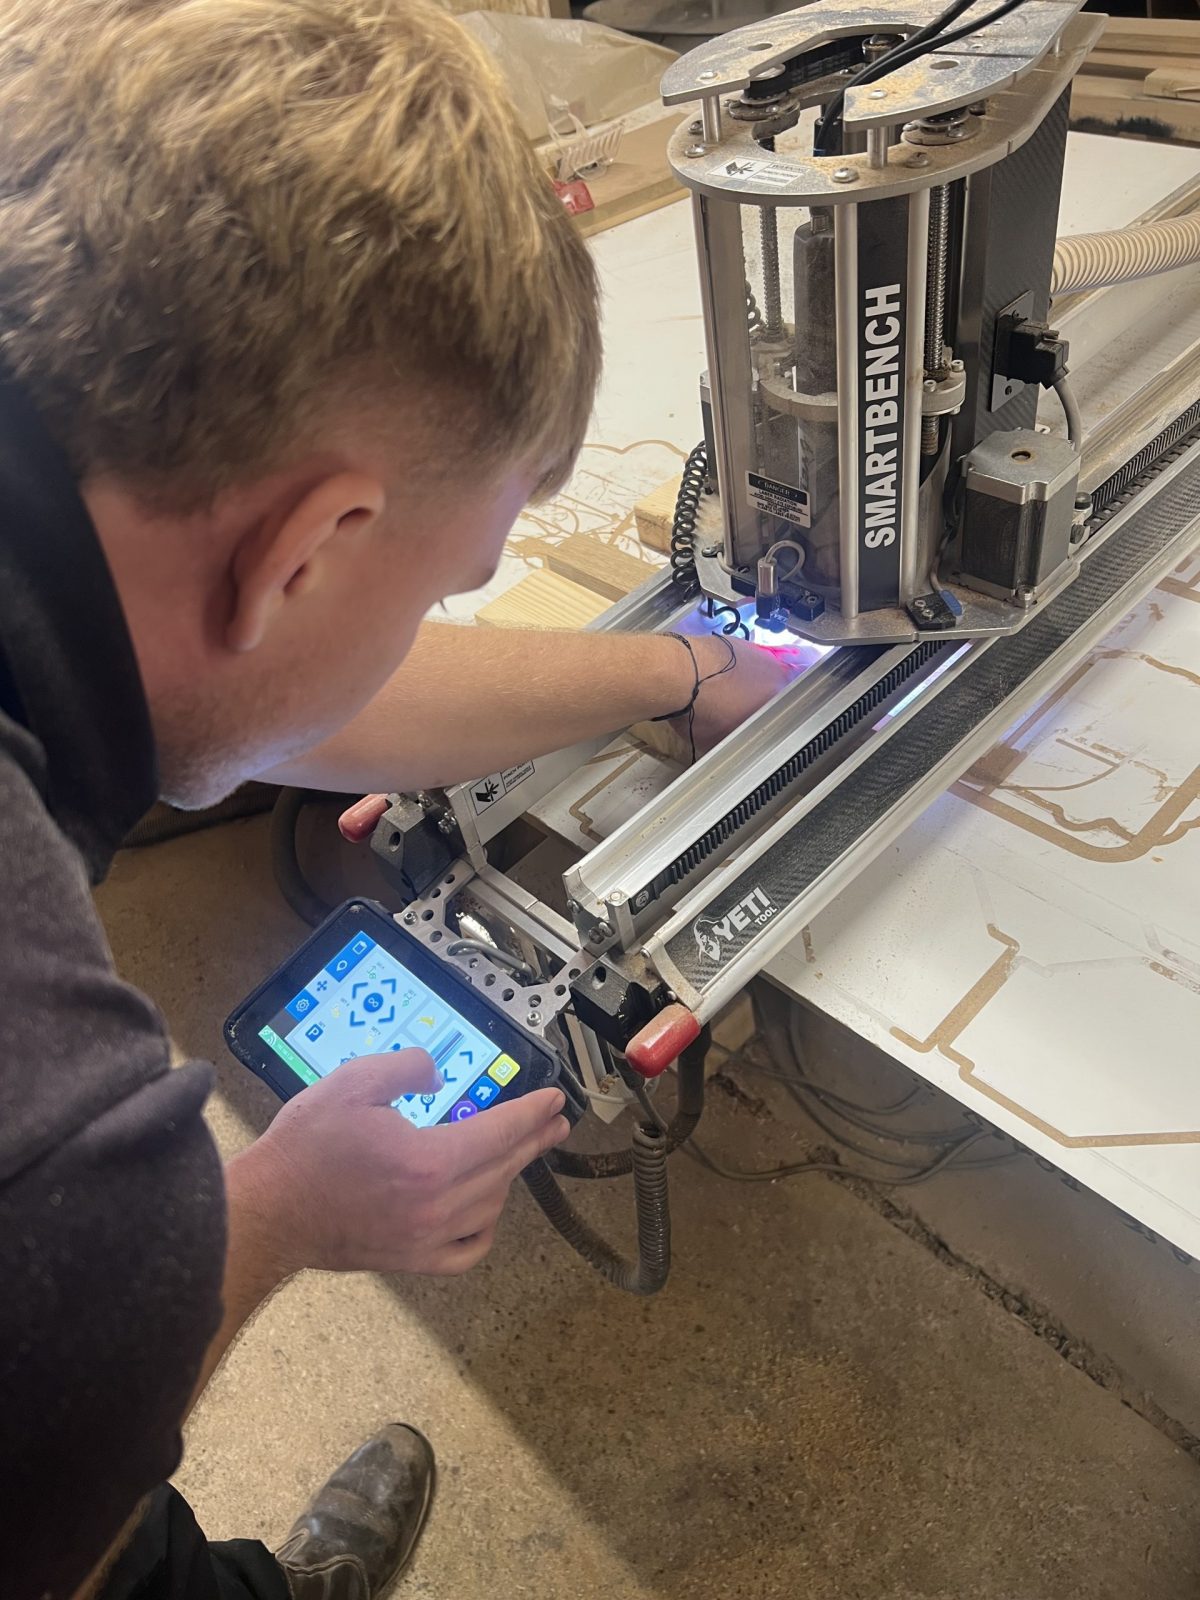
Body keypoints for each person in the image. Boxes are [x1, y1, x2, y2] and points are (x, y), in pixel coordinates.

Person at [0, 3, 794, 1598]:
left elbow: (292, 680)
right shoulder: (62, 1163)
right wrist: (279, 1211)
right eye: (441, 585)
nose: (427, 621)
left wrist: (675, 671)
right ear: (305, 550)